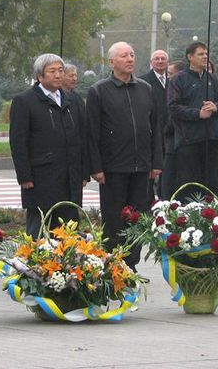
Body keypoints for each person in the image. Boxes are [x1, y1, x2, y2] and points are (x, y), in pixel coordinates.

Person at [86, 42, 161, 268]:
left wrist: (156, 161)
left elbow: (155, 127)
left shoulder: (145, 89)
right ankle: (113, 265)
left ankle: (131, 264)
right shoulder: (99, 91)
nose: (129, 59)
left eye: (132, 55)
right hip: (113, 168)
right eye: (123, 56)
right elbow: (92, 133)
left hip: (141, 167)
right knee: (114, 219)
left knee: (137, 218)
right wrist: (96, 167)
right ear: (112, 62)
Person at [9, 54, 85, 236]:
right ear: (39, 76)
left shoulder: (72, 100)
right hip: (41, 177)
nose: (58, 75)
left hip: (70, 176)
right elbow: (18, 141)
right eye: (52, 71)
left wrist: (83, 171)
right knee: (40, 231)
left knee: (69, 232)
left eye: (61, 70)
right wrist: (24, 175)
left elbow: (82, 137)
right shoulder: (25, 101)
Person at [169, 42, 218, 198]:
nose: (205, 57)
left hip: (212, 139)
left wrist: (216, 107)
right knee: (188, 184)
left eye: (206, 53)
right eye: (201, 54)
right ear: (190, 57)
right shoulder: (178, 79)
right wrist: (197, 114)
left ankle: (211, 216)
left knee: (210, 184)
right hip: (189, 141)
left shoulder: (212, 79)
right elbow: (173, 107)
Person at [139, 50, 169, 203]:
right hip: (152, 133)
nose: (160, 61)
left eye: (163, 59)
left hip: (170, 135)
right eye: (156, 59)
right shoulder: (143, 81)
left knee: (167, 174)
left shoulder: (172, 81)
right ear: (151, 62)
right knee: (150, 176)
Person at [160, 60, 186, 200]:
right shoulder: (168, 89)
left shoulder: (179, 88)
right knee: (167, 181)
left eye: (170, 74)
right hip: (170, 141)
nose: (168, 77)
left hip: (181, 141)